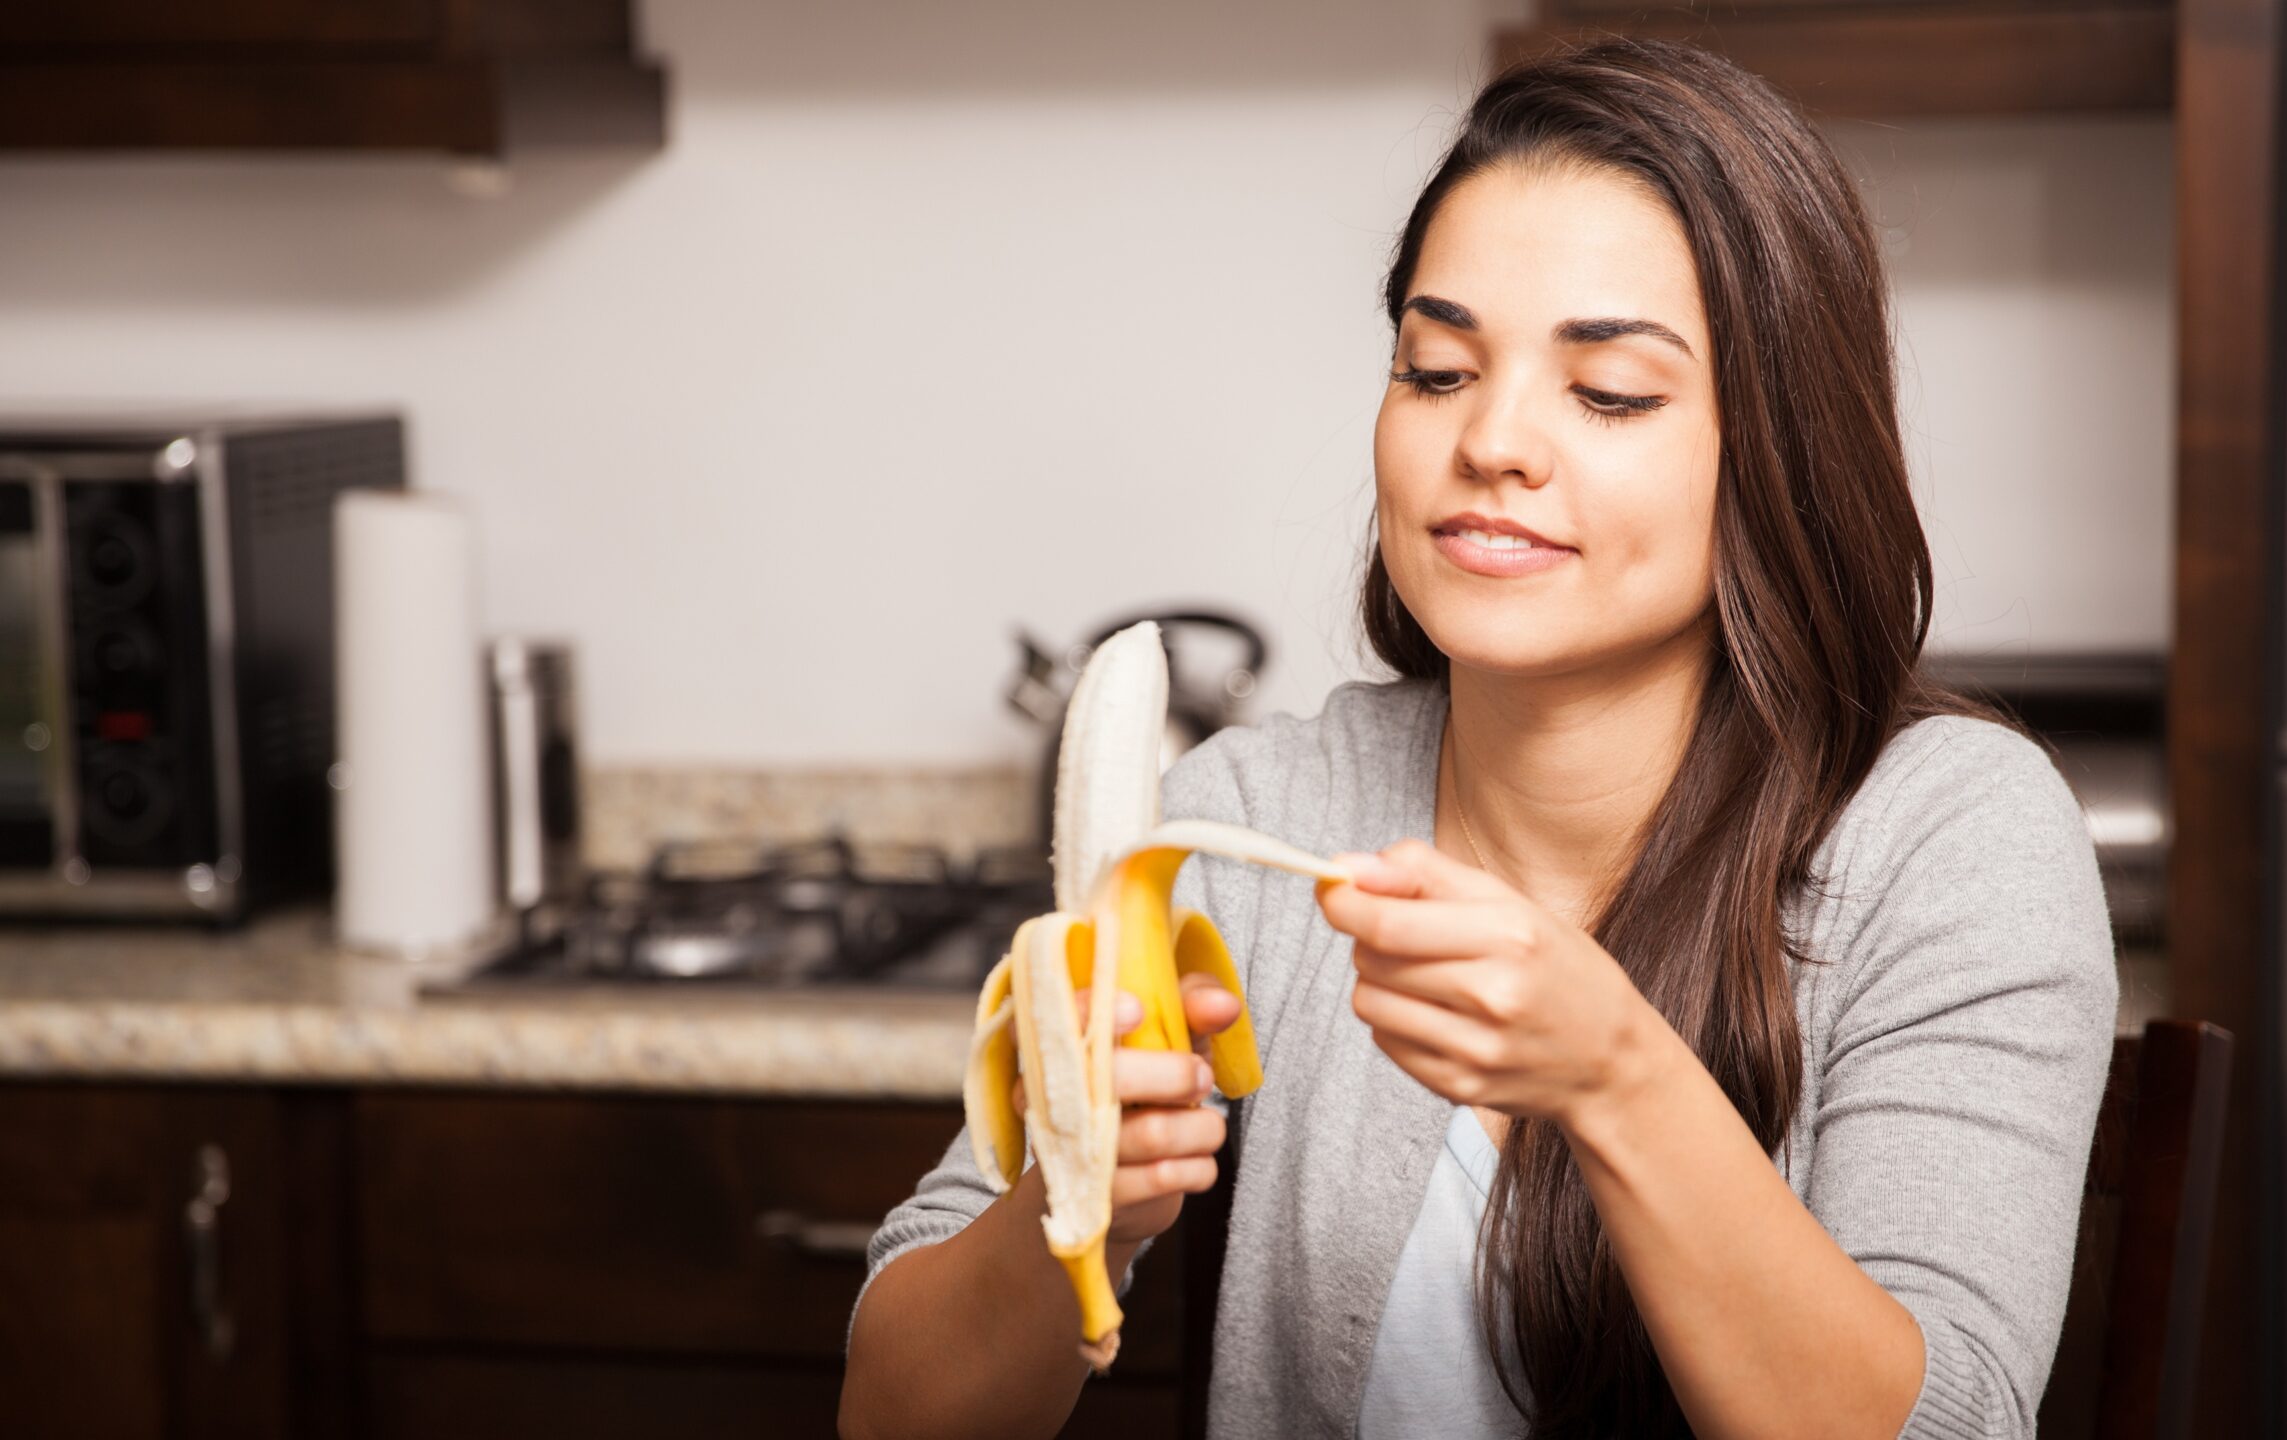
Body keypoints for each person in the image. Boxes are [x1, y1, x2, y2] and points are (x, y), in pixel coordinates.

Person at [838, 35, 2115, 1440]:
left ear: (1780, 450)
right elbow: (894, 1416)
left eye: (1608, 391)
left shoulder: (1954, 841)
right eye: (1438, 370)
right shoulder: (1256, 819)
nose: (1492, 439)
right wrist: (1078, 1204)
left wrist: (1616, 1079)